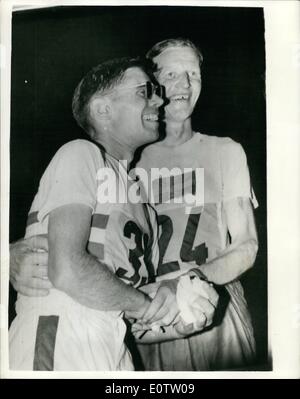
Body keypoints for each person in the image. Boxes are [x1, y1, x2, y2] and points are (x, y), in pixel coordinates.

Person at [10, 37, 257, 371]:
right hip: (66, 327)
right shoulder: (83, 154)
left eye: (193, 73)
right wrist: (8, 254)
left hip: (120, 337)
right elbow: (66, 265)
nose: (168, 93)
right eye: (153, 86)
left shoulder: (142, 201)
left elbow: (125, 299)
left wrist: (180, 311)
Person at [133, 38, 259, 370]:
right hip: (149, 315)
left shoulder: (225, 151)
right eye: (172, 73)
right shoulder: (125, 161)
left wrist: (190, 282)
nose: (185, 84)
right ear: (150, 83)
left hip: (215, 311)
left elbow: (247, 244)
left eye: (193, 73)